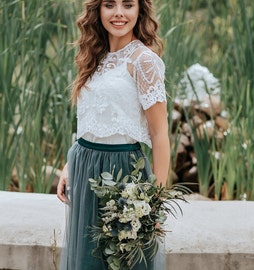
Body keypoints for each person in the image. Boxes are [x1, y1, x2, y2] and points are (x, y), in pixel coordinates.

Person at [57, 0, 170, 269]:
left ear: (139, 11)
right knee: (87, 258)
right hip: (84, 169)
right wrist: (69, 166)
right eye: (110, 4)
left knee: (120, 261)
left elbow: (159, 133)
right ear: (99, 10)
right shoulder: (93, 55)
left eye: (128, 4)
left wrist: (156, 199)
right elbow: (92, 120)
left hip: (121, 173)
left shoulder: (144, 61)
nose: (119, 12)